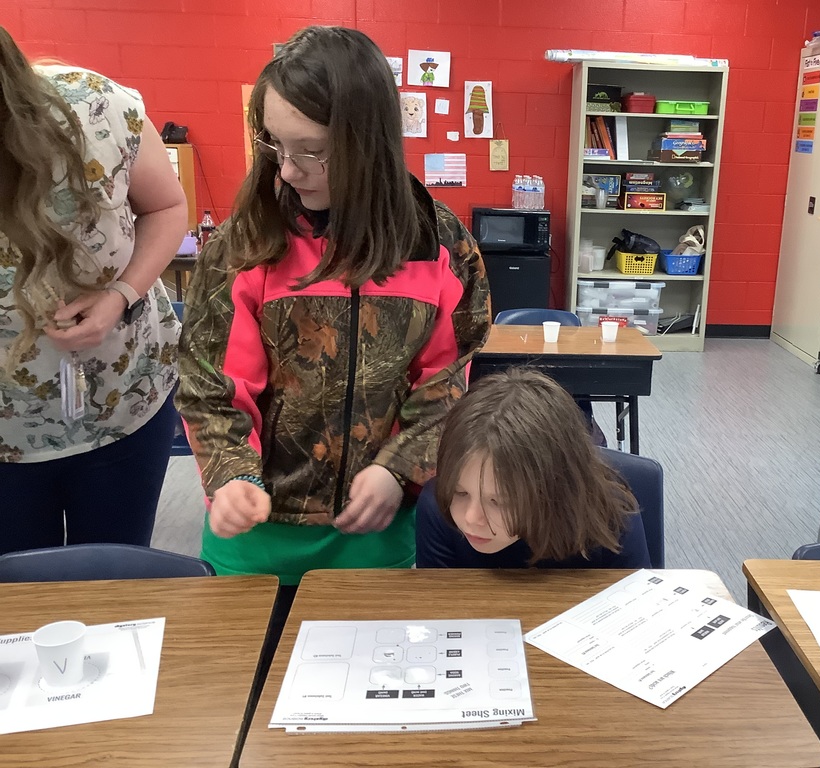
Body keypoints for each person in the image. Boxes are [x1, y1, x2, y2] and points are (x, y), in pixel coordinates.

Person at [175, 25, 490, 587]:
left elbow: (444, 387)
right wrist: (229, 475)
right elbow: (209, 384)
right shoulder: (245, 243)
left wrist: (398, 469)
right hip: (254, 533)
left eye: (312, 152)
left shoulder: (438, 245)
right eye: (275, 145)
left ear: (369, 143)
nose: (288, 170)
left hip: (374, 533)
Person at [0, 27, 188, 554]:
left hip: (122, 397)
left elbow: (168, 207)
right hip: (7, 431)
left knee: (114, 581)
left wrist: (121, 294)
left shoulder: (95, 107)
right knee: (18, 601)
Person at [416, 369, 651, 568]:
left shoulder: (609, 515)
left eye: (500, 501)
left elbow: (639, 611)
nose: (470, 518)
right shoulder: (437, 507)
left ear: (554, 486)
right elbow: (442, 614)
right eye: (461, 493)